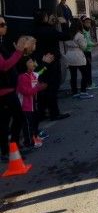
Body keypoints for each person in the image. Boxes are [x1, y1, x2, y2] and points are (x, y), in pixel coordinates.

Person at [1, 20, 37, 159]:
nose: (5, 26)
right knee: (11, 120)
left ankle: (13, 148)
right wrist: (19, 51)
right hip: (4, 91)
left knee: (12, 119)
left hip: (9, 89)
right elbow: (4, 66)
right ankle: (7, 150)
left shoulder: (2, 43)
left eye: (5, 24)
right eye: (1, 25)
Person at [32, 9, 71, 121]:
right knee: (52, 88)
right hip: (51, 62)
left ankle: (42, 112)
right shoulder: (48, 31)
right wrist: (64, 23)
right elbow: (66, 36)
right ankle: (54, 113)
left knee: (42, 87)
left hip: (39, 62)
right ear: (44, 18)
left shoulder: (34, 30)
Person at [16, 55, 50, 148]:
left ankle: (34, 137)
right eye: (30, 62)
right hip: (25, 105)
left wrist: (45, 66)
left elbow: (39, 75)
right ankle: (29, 142)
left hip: (32, 104)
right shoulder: (22, 77)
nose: (33, 63)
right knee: (27, 125)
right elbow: (26, 92)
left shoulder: (32, 74)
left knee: (34, 121)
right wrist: (39, 87)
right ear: (24, 65)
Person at [65, 18, 93, 99]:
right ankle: (83, 91)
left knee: (73, 75)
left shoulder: (68, 34)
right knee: (85, 74)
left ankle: (74, 92)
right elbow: (84, 47)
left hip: (69, 55)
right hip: (78, 55)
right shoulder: (79, 35)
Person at [80, 16, 98, 89]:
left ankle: (89, 83)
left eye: (89, 22)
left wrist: (93, 43)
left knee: (88, 68)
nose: (89, 24)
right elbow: (86, 42)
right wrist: (94, 44)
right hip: (85, 51)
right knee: (87, 68)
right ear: (82, 23)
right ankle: (89, 84)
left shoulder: (87, 30)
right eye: (87, 22)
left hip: (88, 51)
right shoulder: (83, 31)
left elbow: (89, 40)